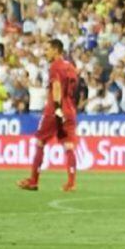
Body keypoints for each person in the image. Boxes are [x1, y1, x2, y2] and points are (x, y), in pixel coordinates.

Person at [18, 38, 80, 192]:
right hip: (70, 110)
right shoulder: (71, 67)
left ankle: (33, 180)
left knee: (40, 142)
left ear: (56, 50)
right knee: (69, 146)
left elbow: (57, 87)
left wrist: (58, 108)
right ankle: (71, 183)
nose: (45, 52)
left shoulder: (55, 67)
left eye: (47, 49)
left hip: (55, 110)